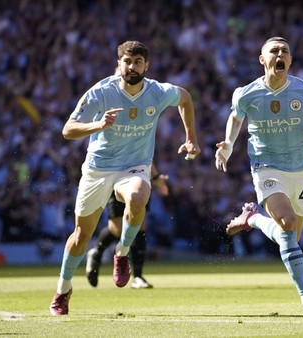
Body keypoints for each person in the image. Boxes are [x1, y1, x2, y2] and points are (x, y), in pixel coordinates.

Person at [50, 40, 200, 316]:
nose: (132, 67)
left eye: (138, 62)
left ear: (147, 65)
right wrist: (98, 124)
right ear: (118, 64)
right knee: (81, 237)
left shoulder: (157, 91)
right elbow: (68, 129)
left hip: (134, 167)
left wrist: (191, 138)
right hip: (98, 169)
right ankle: (63, 290)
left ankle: (121, 253)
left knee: (139, 196)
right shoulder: (101, 92)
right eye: (127, 62)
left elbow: (185, 98)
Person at [215, 36, 303, 320]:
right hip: (266, 167)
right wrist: (228, 144)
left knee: (291, 237)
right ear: (263, 60)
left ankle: (253, 219)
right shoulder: (247, 93)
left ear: (290, 61)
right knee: (287, 223)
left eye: (285, 51)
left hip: (300, 169)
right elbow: (236, 117)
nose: (280, 54)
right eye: (274, 51)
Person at [85, 163, 169, 289]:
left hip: (139, 179)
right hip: (116, 177)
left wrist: (156, 177)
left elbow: (146, 154)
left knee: (140, 224)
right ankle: (96, 252)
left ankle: (138, 277)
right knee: (117, 230)